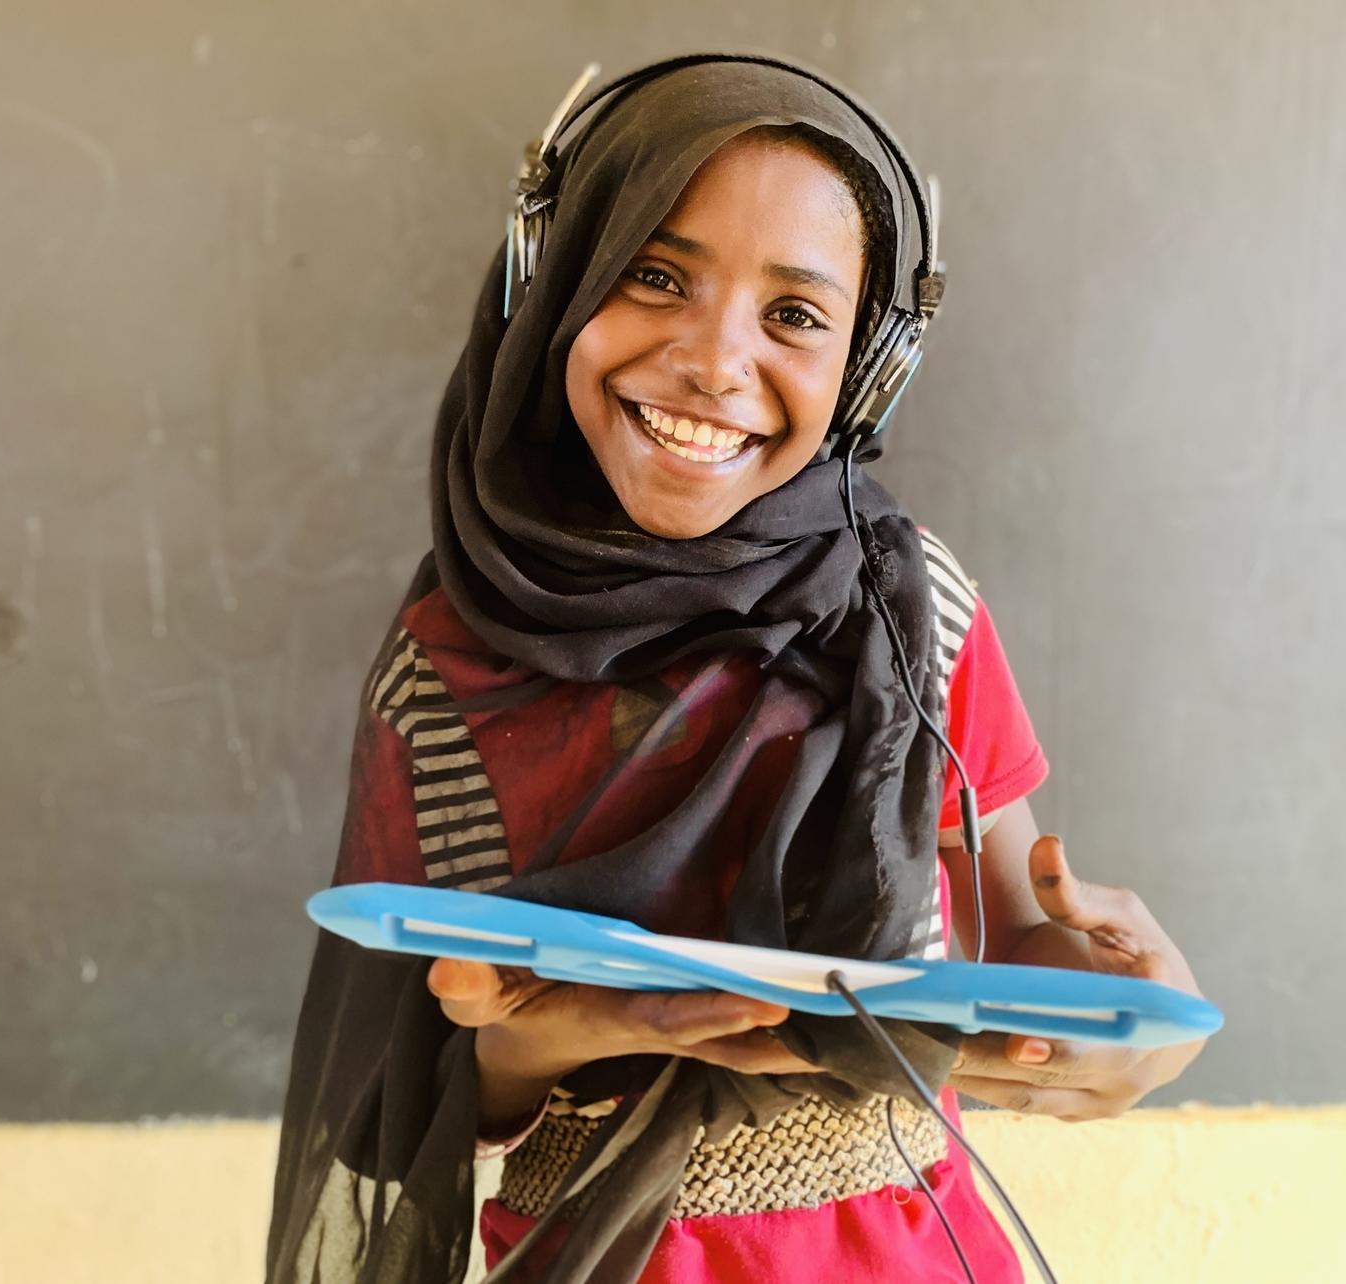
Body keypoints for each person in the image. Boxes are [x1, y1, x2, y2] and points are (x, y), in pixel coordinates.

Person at [265, 54, 1207, 1284]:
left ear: (871, 365)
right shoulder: (451, 658)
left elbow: (1013, 947)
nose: (715, 364)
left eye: (796, 315)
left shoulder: (912, 605)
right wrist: (549, 1040)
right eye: (655, 276)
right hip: (591, 1250)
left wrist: (1137, 1012)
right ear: (550, 284)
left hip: (905, 1244)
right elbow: (426, 1093)